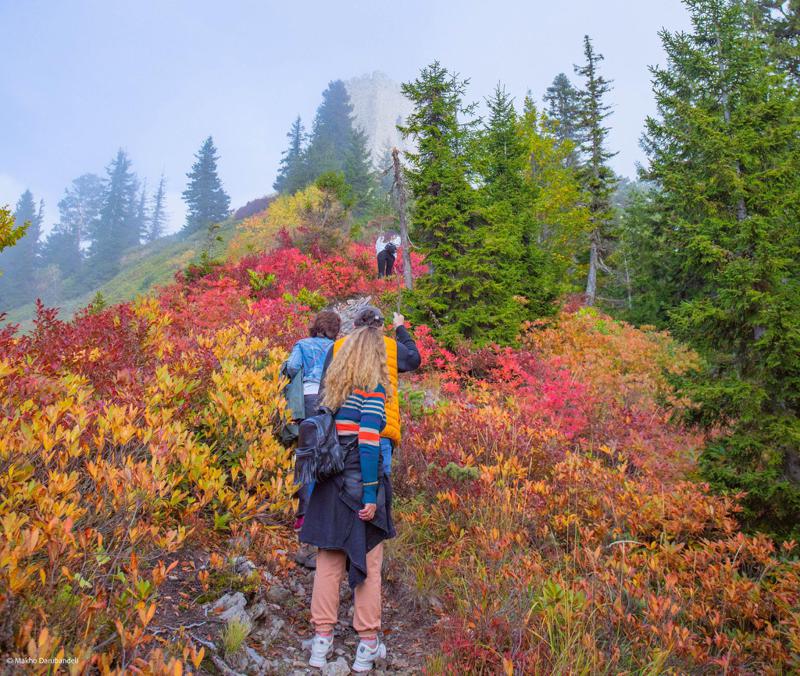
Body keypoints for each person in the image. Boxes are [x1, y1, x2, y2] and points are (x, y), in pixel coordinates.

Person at [300, 324, 395, 672]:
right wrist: (370, 494)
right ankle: (367, 644)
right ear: (375, 356)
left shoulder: (334, 392)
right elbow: (368, 443)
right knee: (368, 564)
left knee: (328, 562)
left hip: (329, 485)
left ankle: (321, 642)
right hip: (358, 485)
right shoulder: (372, 390)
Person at [320, 306, 420, 478]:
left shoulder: (338, 346)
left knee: (342, 486)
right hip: (381, 428)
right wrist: (400, 328)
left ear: (354, 325)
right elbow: (414, 359)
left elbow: (324, 389)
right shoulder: (391, 347)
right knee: (379, 485)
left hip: (341, 432)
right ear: (381, 326)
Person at [285, 311, 341, 536]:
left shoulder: (302, 344)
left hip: (307, 400)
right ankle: (326, 514)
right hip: (330, 400)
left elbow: (292, 367)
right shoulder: (338, 347)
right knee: (328, 453)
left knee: (306, 455)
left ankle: (304, 516)